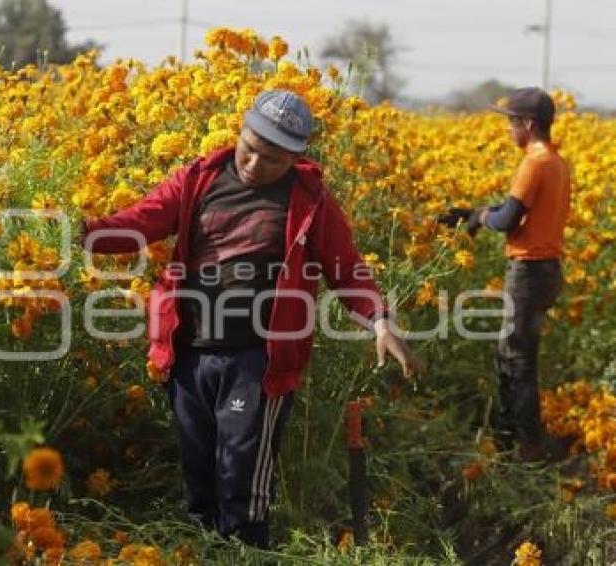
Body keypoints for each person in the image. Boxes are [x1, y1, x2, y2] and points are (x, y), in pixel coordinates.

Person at [82, 89, 418, 547]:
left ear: (296, 159)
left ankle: (246, 552)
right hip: (190, 355)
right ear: (239, 132)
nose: (255, 165)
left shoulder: (310, 200)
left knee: (242, 480)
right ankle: (203, 552)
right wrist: (72, 232)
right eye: (250, 149)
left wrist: (379, 320)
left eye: (273, 160)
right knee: (199, 475)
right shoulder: (197, 179)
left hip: (257, 360)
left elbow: (346, 269)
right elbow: (138, 223)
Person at [438, 87, 571, 461]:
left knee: (516, 359)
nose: (508, 130)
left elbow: (507, 219)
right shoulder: (557, 162)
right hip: (547, 270)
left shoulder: (534, 162)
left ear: (528, 124)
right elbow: (518, 210)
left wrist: (482, 217)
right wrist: (474, 211)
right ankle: (512, 439)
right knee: (515, 354)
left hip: (529, 271)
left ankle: (525, 448)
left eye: (511, 123)